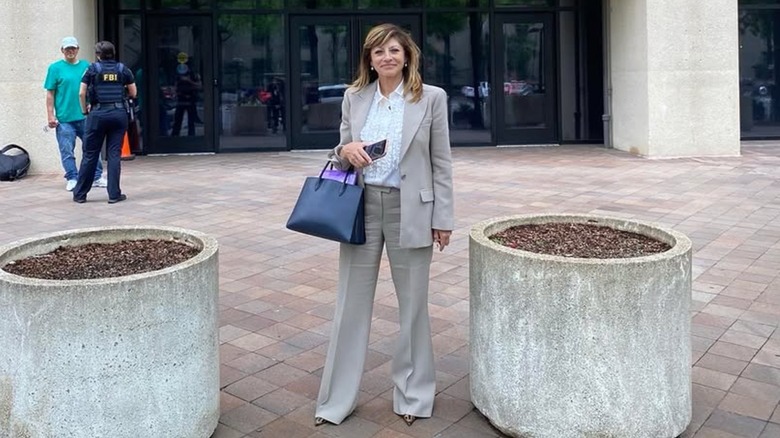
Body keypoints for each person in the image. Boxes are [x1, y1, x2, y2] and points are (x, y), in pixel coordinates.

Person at [314, 23, 454, 428]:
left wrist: (442, 218)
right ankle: (336, 401)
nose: (387, 57)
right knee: (349, 307)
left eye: (394, 50)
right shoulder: (354, 97)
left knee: (413, 308)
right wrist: (347, 149)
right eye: (378, 52)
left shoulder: (431, 99)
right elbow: (339, 154)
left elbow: (441, 163)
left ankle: (413, 396)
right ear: (369, 60)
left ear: (407, 55)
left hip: (411, 210)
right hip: (360, 208)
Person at [72, 41, 136, 204]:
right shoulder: (123, 69)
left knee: (90, 154)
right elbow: (133, 92)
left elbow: (81, 93)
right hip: (118, 113)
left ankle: (80, 194)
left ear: (98, 55)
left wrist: (84, 110)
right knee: (114, 154)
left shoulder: (92, 69)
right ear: (113, 53)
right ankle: (114, 194)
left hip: (98, 114)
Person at [44, 36, 107, 192]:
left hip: (85, 116)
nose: (70, 51)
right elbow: (50, 94)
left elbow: (94, 88)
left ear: (78, 49)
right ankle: (72, 177)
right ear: (62, 51)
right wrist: (50, 116)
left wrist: (94, 105)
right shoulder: (55, 68)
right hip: (64, 119)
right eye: (67, 49)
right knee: (67, 150)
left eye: (73, 48)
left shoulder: (87, 66)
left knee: (92, 147)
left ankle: (97, 176)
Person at [171, 62, 201, 136]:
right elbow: (175, 86)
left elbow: (199, 86)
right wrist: (175, 92)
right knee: (178, 118)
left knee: (191, 119)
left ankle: (191, 135)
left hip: (190, 98)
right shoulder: (178, 75)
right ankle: (175, 135)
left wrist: (189, 81)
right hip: (181, 99)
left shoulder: (194, 75)